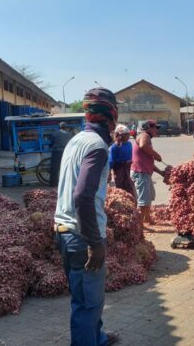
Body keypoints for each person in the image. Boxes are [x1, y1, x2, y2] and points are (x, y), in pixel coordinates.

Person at [54, 88, 119, 346]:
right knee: (87, 304)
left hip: (65, 231)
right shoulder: (98, 146)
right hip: (81, 238)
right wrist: (94, 241)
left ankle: (98, 338)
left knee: (88, 298)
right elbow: (82, 196)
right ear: (111, 117)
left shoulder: (76, 140)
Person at [131, 119, 166, 225]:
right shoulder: (144, 135)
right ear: (148, 127)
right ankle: (140, 225)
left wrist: (161, 172)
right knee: (143, 199)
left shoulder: (147, 139)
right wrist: (156, 155)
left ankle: (147, 218)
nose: (157, 130)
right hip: (140, 172)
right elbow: (143, 145)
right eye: (155, 128)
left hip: (145, 172)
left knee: (149, 196)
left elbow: (149, 163)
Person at [109, 124, 137, 202]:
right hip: (120, 170)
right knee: (121, 189)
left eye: (128, 134)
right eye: (126, 134)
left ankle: (132, 204)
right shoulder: (114, 147)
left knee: (131, 188)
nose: (128, 136)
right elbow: (111, 161)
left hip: (129, 169)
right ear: (120, 135)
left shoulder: (129, 144)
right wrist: (109, 173)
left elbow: (132, 156)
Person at [50, 122, 73, 187]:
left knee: (55, 168)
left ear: (59, 127)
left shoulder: (54, 133)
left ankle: (53, 184)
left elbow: (51, 143)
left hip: (56, 152)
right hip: (66, 152)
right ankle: (67, 183)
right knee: (67, 168)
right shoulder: (70, 134)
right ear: (66, 127)